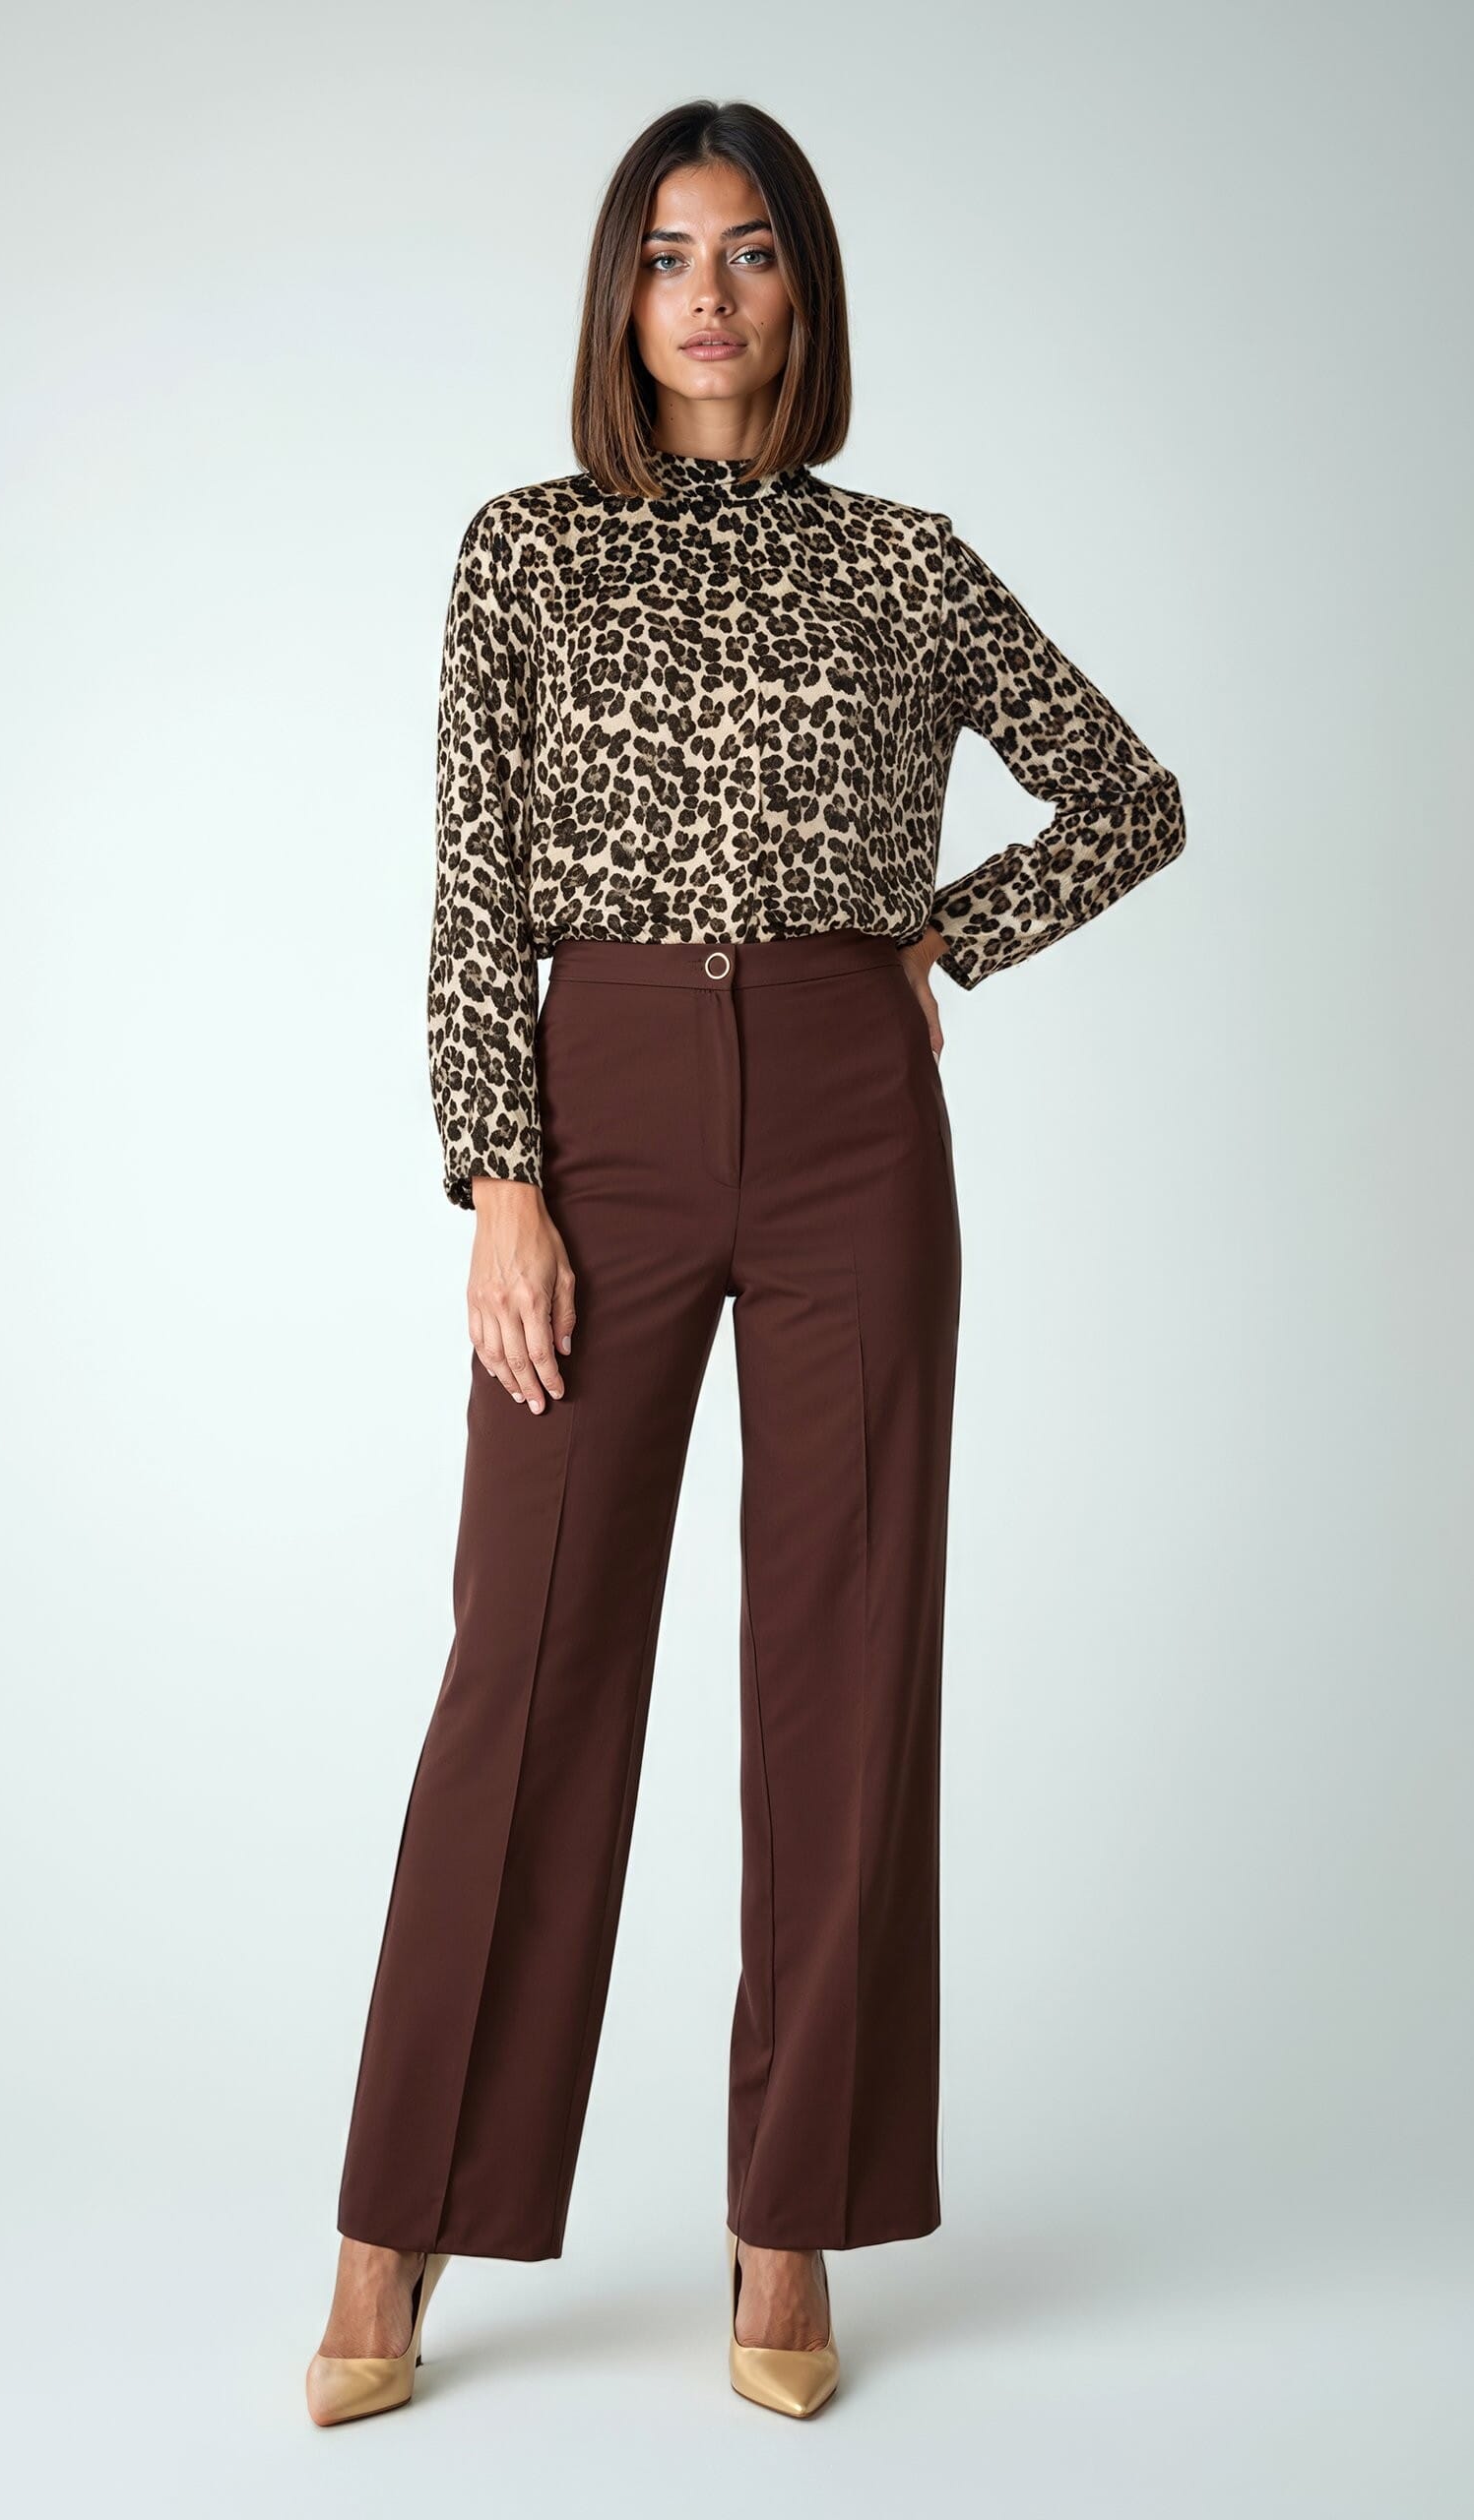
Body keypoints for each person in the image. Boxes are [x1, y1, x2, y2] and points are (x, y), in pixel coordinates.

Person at [306, 94, 1186, 2426]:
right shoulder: (524, 552)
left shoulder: (904, 565)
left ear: (804, 292)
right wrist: (501, 1178)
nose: (709, 291)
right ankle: (397, 2211)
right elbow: (473, 886)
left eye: (754, 249)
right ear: (622, 294)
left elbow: (1131, 795)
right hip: (593, 1110)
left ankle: (785, 2216)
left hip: (842, 1123)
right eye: (670, 251)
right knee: (529, 1655)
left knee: (840, 1663)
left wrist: (934, 942)